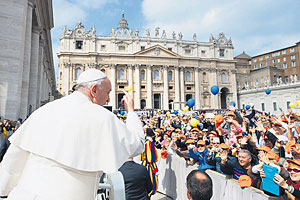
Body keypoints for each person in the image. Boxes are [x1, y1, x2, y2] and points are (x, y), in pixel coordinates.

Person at [0, 69, 145, 200]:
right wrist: (131, 112)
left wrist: (3, 189)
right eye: (108, 93)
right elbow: (137, 145)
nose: (108, 99)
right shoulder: (102, 117)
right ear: (94, 90)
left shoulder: (44, 110)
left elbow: (13, 159)